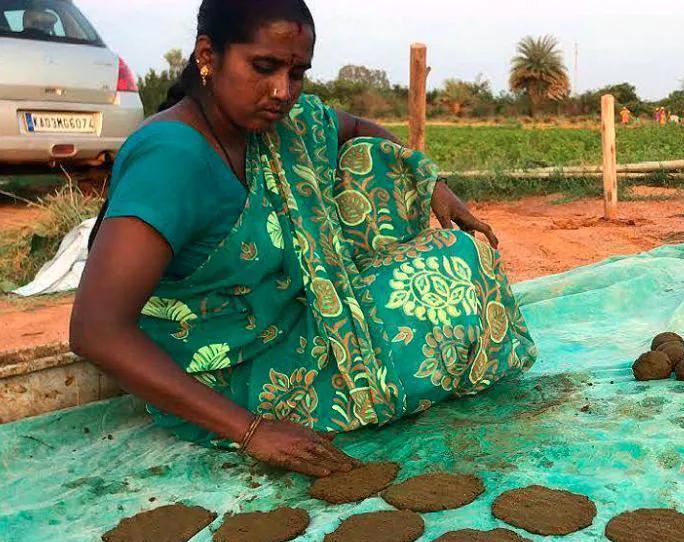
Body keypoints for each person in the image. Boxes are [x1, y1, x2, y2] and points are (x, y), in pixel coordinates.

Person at [71, 0, 537, 477]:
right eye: (264, 67)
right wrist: (253, 430)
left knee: (461, 253)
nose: (281, 91)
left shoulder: (278, 126)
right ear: (208, 55)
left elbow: (357, 129)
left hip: (293, 321)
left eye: (297, 74)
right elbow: (95, 329)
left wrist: (432, 183)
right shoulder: (170, 158)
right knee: (450, 295)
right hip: (224, 383)